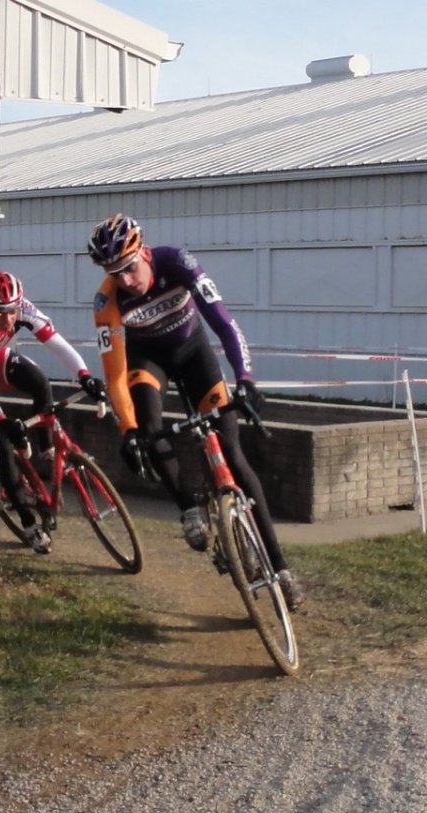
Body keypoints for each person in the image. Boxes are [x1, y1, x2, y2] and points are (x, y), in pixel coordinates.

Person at [86, 214, 302, 610]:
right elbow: (115, 377)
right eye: (115, 273)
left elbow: (224, 324)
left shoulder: (177, 262)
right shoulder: (107, 302)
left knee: (234, 455)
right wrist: (127, 429)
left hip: (193, 354)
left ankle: (281, 566)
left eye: (131, 268)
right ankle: (187, 506)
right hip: (148, 361)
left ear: (145, 252)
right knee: (149, 425)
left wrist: (246, 379)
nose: (127, 280)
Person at [0, 270, 106, 553]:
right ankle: (29, 523)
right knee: (3, 436)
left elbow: (58, 344)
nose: (8, 319)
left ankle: (46, 448)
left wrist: (85, 376)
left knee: (41, 383)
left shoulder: (23, 310)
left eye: (12, 311)